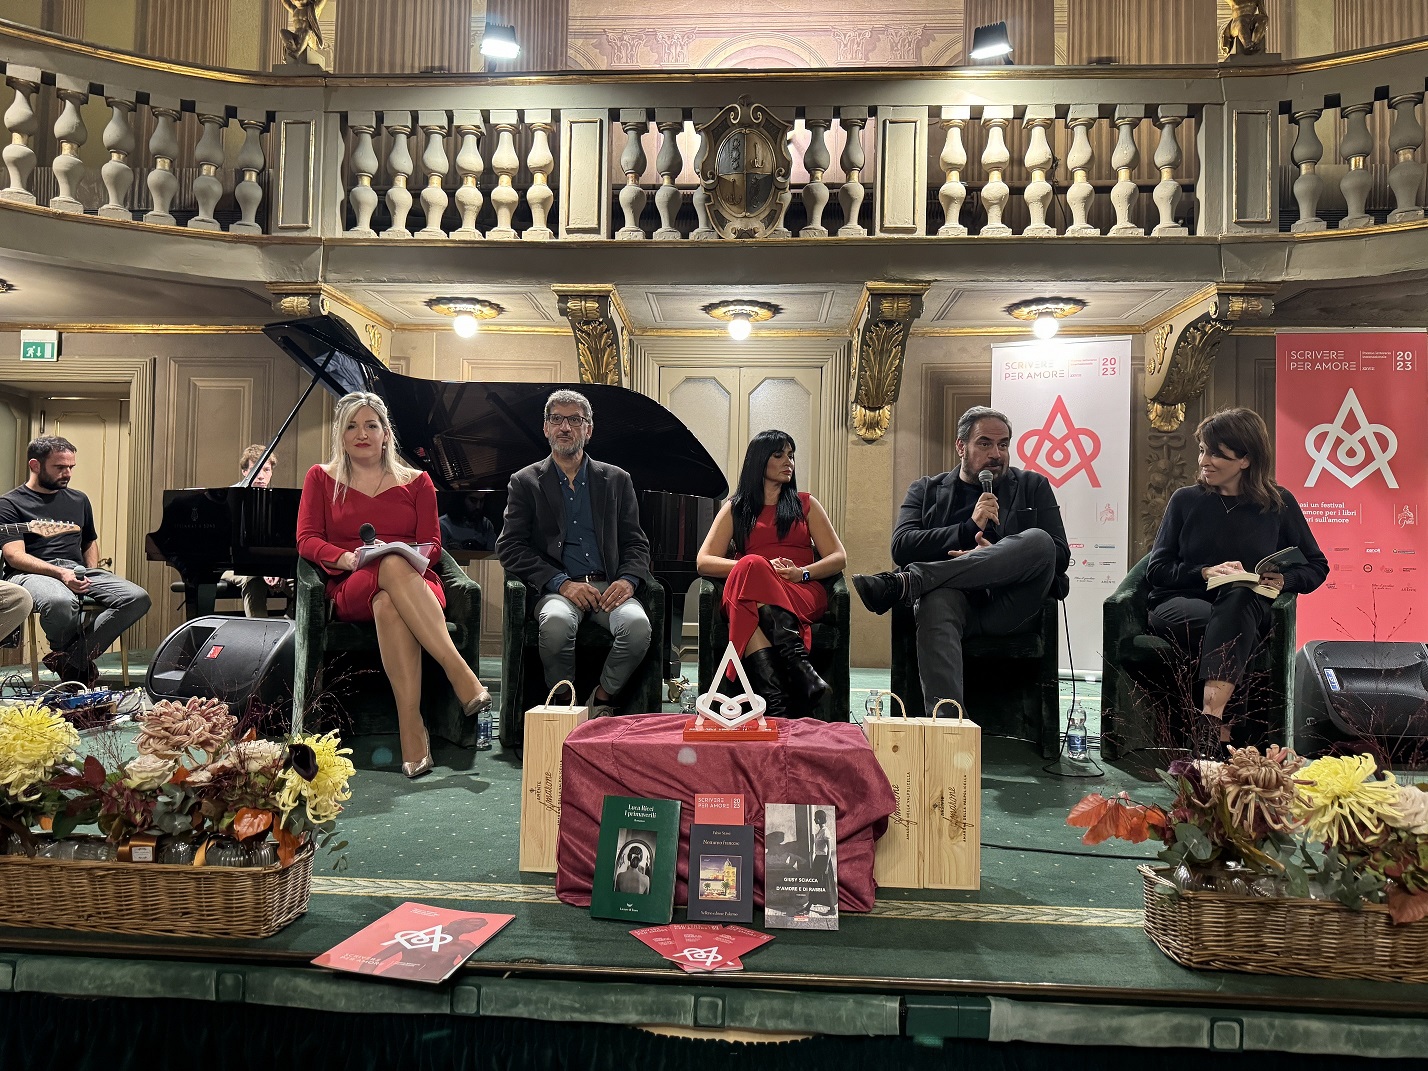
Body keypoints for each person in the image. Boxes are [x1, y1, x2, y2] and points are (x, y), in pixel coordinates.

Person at [296, 392, 490, 779]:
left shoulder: (418, 482)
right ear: (341, 435)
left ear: (386, 434)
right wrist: (345, 558)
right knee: (387, 564)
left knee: (389, 596)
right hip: (351, 583)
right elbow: (306, 539)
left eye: (371, 426)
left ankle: (411, 729)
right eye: (352, 426)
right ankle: (459, 672)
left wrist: (401, 554)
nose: (361, 434)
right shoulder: (321, 478)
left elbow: (433, 544)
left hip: (415, 585)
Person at [851, 406, 1069, 714]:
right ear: (961, 446)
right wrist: (968, 528)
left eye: (1003, 444)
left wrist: (992, 554)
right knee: (935, 601)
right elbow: (902, 547)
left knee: (1040, 540)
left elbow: (1058, 553)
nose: (996, 454)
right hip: (953, 603)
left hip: (1009, 603)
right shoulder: (926, 490)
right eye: (985, 443)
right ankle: (949, 726)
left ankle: (912, 581)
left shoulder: (1033, 486)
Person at [1146, 407, 1327, 747]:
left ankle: (1208, 723)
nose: (1204, 461)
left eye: (1217, 454)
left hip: (1245, 605)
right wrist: (1204, 572)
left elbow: (1316, 566)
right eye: (1202, 450)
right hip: (1181, 603)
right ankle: (1222, 726)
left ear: (1246, 459)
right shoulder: (1185, 501)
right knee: (1236, 630)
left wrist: (1284, 581)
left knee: (1239, 599)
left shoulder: (1278, 504)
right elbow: (1157, 569)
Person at [496, 389, 652, 718]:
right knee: (555, 625)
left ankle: (602, 698)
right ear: (546, 428)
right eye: (557, 419)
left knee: (638, 627)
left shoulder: (617, 480)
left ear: (588, 430)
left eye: (575, 420)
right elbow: (509, 546)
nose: (565, 427)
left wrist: (628, 580)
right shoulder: (525, 481)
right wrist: (561, 583)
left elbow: (636, 542)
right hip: (558, 589)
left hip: (608, 586)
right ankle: (565, 704)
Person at [695, 430, 847, 718]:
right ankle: (798, 674)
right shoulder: (735, 508)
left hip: (799, 590)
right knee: (751, 576)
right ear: (759, 461)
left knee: (746, 601)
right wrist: (757, 566)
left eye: (791, 455)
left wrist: (802, 573)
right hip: (750, 587)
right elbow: (703, 562)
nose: (788, 462)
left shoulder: (806, 504)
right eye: (779, 455)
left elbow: (839, 557)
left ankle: (775, 702)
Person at [0, 436, 151, 686]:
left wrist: (90, 572)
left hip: (75, 568)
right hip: (30, 572)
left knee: (137, 598)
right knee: (60, 601)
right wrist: (60, 574)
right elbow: (15, 555)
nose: (68, 473)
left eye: (71, 467)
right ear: (35, 465)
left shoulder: (79, 499)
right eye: (60, 467)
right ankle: (75, 664)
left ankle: (71, 660)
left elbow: (89, 541)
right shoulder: (9, 503)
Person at [228, 444, 293, 618]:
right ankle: (260, 632)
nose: (262, 476)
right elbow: (232, 547)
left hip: (270, 565)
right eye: (256, 470)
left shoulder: (277, 500)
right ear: (244, 471)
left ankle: (288, 627)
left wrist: (276, 570)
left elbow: (282, 544)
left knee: (306, 585)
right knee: (253, 579)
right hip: (232, 564)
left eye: (266, 470)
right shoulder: (231, 497)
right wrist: (262, 569)